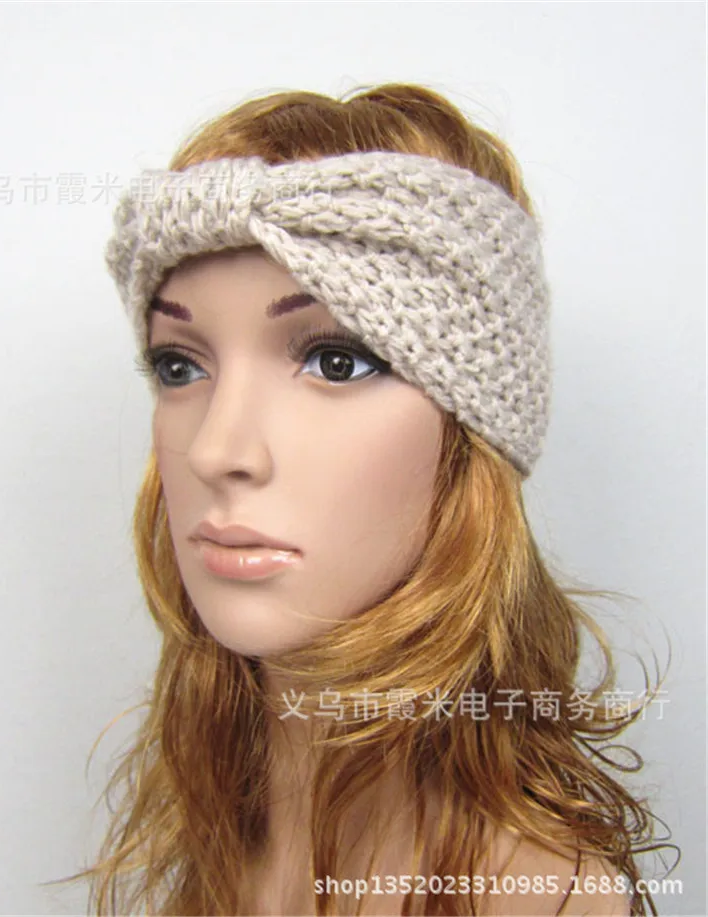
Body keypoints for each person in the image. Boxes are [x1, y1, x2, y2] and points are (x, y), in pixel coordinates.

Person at [55, 84, 675, 915]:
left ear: (470, 436)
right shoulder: (224, 830)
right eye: (180, 365)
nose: (216, 450)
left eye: (336, 361)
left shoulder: (541, 896)